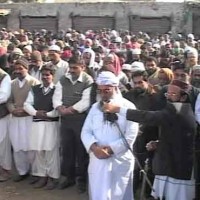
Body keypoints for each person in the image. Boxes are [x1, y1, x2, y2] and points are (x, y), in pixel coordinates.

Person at [103, 79, 196, 200]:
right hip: (171, 160)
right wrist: (159, 143)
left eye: (173, 94)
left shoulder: (177, 110)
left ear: (183, 97)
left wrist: (118, 109)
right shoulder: (180, 109)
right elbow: (177, 135)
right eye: (167, 93)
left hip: (176, 164)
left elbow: (148, 117)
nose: (168, 97)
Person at [81, 71, 138, 200]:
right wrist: (95, 149)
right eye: (100, 91)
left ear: (115, 88)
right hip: (97, 158)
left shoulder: (128, 106)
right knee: (98, 193)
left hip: (119, 159)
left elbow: (131, 135)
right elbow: (86, 131)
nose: (102, 94)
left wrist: (111, 149)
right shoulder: (95, 108)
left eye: (106, 90)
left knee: (119, 193)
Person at [53, 58, 93, 193]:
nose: (71, 70)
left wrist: (68, 110)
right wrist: (59, 107)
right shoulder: (64, 79)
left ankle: (81, 180)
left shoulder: (88, 81)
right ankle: (68, 177)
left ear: (82, 67)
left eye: (75, 68)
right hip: (66, 120)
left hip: (81, 121)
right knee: (67, 150)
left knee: (81, 151)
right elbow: (56, 96)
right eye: (70, 68)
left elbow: (85, 102)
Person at [24, 65, 60, 190]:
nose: (45, 77)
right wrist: (36, 113)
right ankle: (41, 176)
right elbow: (27, 104)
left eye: (48, 75)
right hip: (37, 123)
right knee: (38, 150)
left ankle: (52, 177)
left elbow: (58, 107)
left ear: (53, 76)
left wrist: (48, 115)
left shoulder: (57, 90)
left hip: (51, 124)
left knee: (51, 150)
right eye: (43, 75)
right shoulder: (35, 89)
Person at [7, 57, 40, 182]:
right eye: (16, 69)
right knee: (17, 145)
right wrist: (13, 110)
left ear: (27, 69)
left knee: (30, 145)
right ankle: (22, 171)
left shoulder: (34, 82)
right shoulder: (12, 83)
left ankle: (35, 172)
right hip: (15, 118)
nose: (18, 71)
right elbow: (9, 101)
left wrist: (25, 111)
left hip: (29, 118)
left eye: (21, 68)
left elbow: (37, 102)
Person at [0, 67, 12, 181]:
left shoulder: (4, 77)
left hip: (2, 115)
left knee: (2, 143)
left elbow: (3, 96)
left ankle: (6, 170)